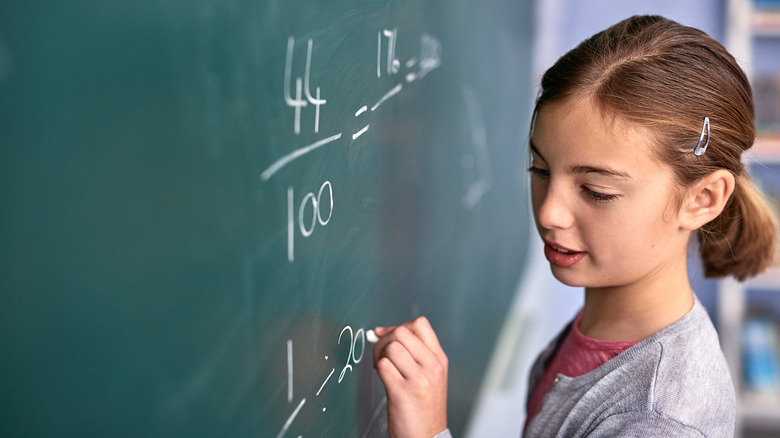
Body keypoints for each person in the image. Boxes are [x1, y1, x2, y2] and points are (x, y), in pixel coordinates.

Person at [370, 15, 779, 437]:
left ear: (702, 199)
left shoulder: (659, 422)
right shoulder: (605, 326)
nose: (549, 212)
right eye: (540, 169)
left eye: (597, 191)